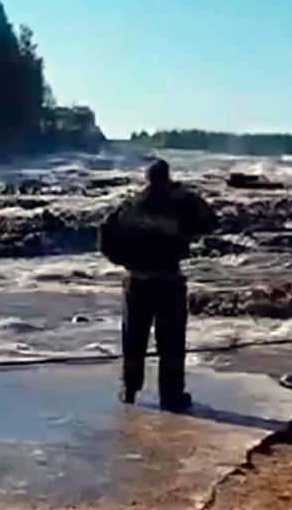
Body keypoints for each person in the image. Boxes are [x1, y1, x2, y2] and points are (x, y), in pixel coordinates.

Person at [99, 158, 216, 411]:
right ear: (167, 177)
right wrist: (188, 195)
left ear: (147, 178)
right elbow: (210, 222)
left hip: (137, 279)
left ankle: (129, 390)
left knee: (133, 339)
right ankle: (171, 396)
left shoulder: (131, 205)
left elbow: (105, 233)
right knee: (171, 341)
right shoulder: (180, 204)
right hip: (168, 280)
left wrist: (121, 260)